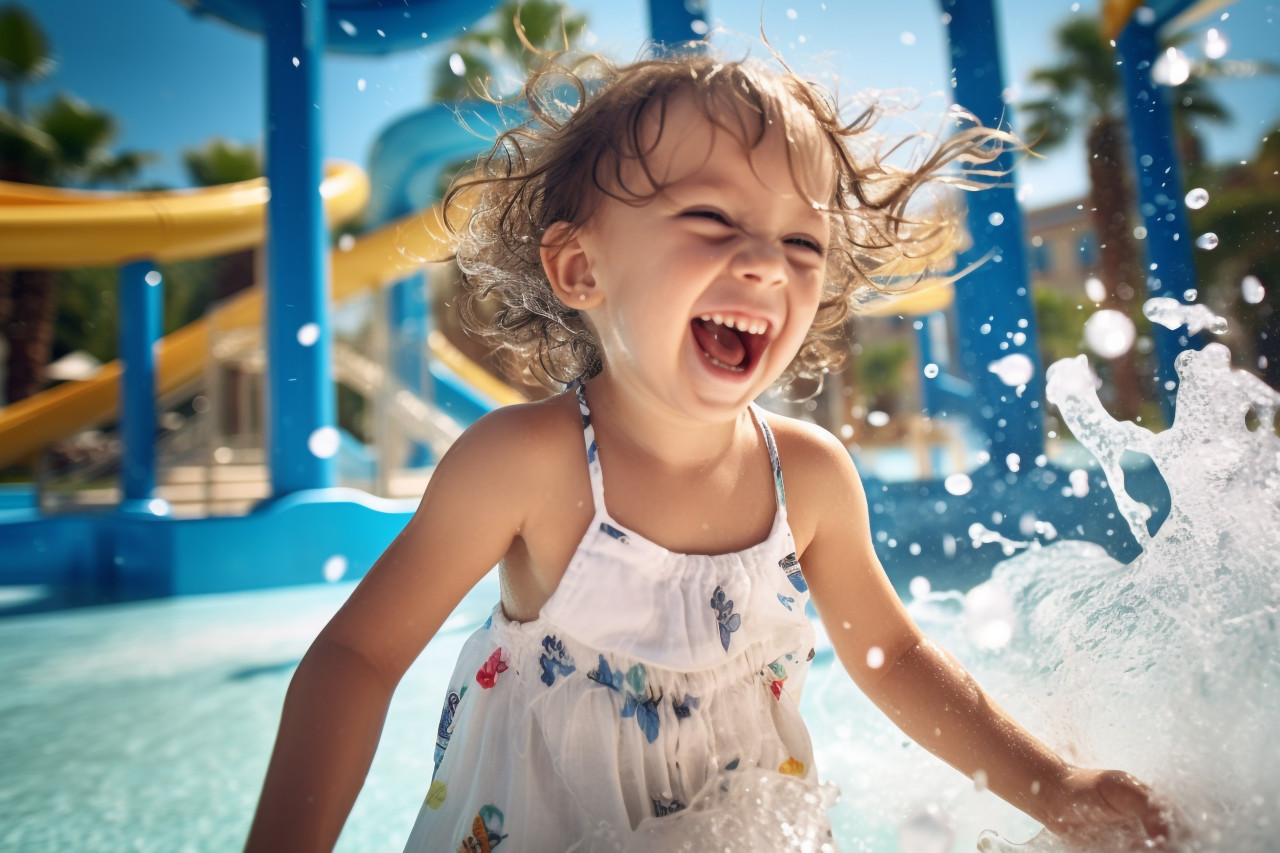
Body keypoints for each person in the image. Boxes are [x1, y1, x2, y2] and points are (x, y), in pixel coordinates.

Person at [245, 51, 1174, 852]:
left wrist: (1057, 787)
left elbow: (894, 653)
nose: (767, 263)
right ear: (581, 269)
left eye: (802, 239)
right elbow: (359, 658)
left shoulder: (806, 478)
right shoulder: (528, 463)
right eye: (712, 222)